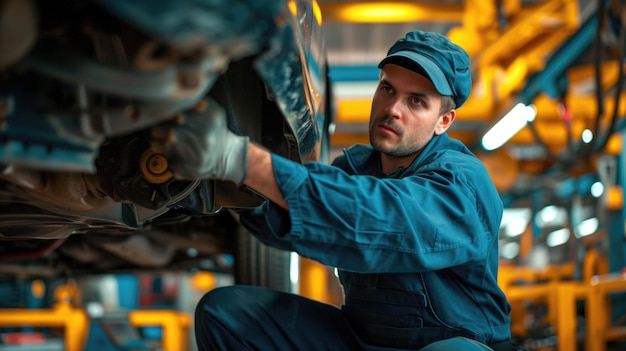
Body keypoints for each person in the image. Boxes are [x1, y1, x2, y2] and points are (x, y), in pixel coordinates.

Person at [160, 30, 520, 350]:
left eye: (416, 101)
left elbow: (378, 219)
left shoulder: (461, 182)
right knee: (227, 314)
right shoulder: (358, 168)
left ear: (444, 121)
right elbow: (301, 224)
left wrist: (238, 159)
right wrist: (229, 187)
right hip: (364, 340)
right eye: (387, 88)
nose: (392, 109)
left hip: (453, 344)